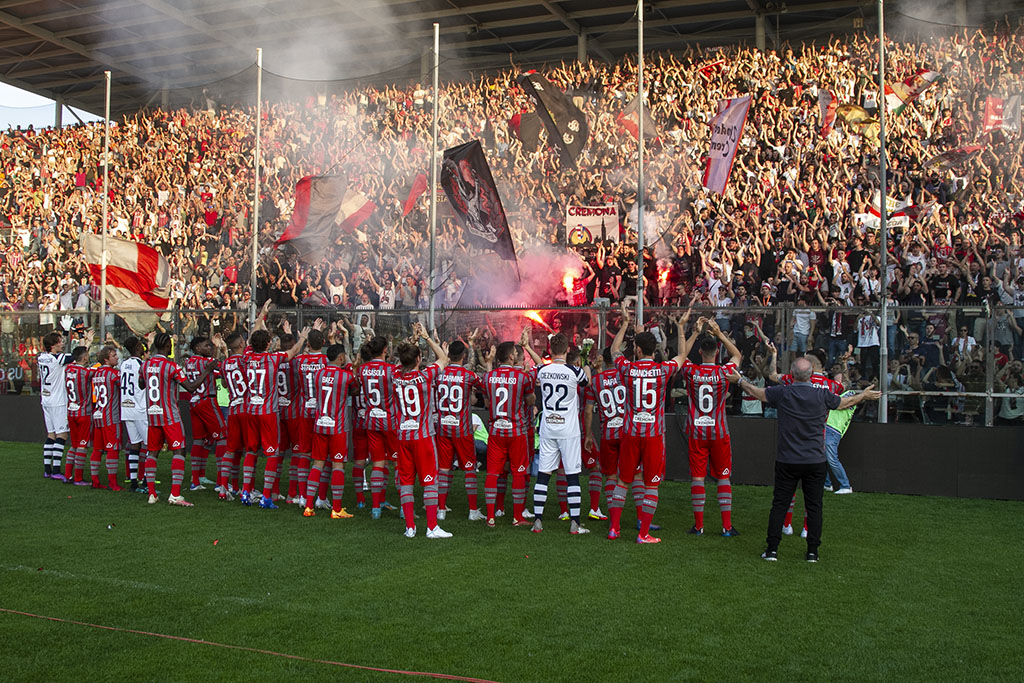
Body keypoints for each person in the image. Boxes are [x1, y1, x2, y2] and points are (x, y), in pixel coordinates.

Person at [729, 357, 880, 562]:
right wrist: (864, 395)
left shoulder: (784, 392)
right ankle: (812, 552)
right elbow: (846, 402)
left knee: (780, 504)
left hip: (788, 460)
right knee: (814, 506)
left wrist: (739, 381)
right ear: (811, 374)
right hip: (814, 461)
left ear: (791, 374)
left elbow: (758, 393)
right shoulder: (821, 394)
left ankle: (772, 550)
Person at [607, 305, 688, 543]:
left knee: (623, 480)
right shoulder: (663, 370)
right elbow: (681, 357)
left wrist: (624, 324)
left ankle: (614, 528)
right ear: (654, 350)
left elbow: (614, 352)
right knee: (651, 483)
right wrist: (681, 330)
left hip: (631, 432)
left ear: (638, 349)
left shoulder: (629, 369)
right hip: (653, 435)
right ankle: (643, 533)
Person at [679, 317, 742, 537]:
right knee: (723, 477)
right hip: (719, 431)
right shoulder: (724, 372)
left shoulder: (692, 371)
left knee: (697, 477)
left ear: (700, 353)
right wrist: (720, 334)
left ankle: (699, 526)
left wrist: (695, 333)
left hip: (697, 431)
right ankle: (726, 527)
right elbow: (737, 355)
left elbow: (681, 356)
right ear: (716, 353)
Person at [139, 332, 219, 507]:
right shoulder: (171, 366)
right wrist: (207, 371)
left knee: (152, 452)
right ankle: (175, 494)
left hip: (152, 415)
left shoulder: (144, 365)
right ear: (168, 346)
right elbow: (190, 387)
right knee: (179, 451)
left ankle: (151, 493)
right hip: (170, 415)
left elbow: (141, 384)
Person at [392, 323, 452, 539]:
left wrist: (412, 342)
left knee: (406, 482)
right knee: (429, 481)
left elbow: (402, 361)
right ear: (419, 360)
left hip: (403, 437)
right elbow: (444, 358)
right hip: (423, 437)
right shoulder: (426, 376)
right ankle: (432, 527)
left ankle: (410, 527)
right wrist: (426, 338)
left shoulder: (395, 376)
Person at [528, 332, 591, 535]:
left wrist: (528, 348)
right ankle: (575, 523)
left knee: (544, 474)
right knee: (572, 475)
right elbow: (586, 382)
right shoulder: (574, 371)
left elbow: (536, 370)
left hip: (548, 428)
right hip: (569, 430)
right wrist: (587, 362)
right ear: (567, 350)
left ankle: (537, 521)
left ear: (550, 350)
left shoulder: (541, 370)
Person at [241, 326, 309, 508]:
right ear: (269, 344)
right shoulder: (273, 359)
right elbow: (293, 351)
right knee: (272, 453)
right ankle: (266, 496)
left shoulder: (246, 357)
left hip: (250, 410)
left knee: (251, 451)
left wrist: (261, 316)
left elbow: (251, 339)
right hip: (268, 412)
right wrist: (302, 338)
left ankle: (246, 491)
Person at [482, 339, 536, 527]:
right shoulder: (523, 377)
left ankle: (490, 517)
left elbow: (488, 403)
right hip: (517, 431)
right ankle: (517, 517)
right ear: (512, 356)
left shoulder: (488, 377)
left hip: (496, 431)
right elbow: (530, 401)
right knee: (519, 472)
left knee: (493, 473)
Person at [304, 343, 359, 520]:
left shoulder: (318, 374)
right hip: (338, 427)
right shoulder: (345, 376)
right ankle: (336, 509)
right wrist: (351, 365)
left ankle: (308, 506)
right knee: (338, 465)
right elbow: (355, 389)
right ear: (341, 357)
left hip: (320, 424)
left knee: (317, 464)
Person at [435, 339, 486, 521]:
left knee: (443, 468)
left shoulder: (438, 374)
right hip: (462, 429)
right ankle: (473, 511)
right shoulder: (468, 375)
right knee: (470, 468)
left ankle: (440, 509)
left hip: (443, 427)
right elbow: (484, 387)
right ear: (463, 356)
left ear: (448, 354)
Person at [359, 335, 400, 519]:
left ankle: (376, 507)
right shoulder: (391, 370)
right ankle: (403, 508)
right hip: (390, 422)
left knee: (377, 464)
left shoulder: (363, 369)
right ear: (385, 350)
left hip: (371, 420)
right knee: (399, 464)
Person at [290, 328, 328, 506]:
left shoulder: (299, 361)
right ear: (323, 343)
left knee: (304, 453)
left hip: (304, 411)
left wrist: (304, 339)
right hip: (322, 412)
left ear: (307, 344)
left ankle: (303, 495)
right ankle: (320, 497)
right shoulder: (326, 361)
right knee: (322, 456)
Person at [183, 336, 225, 491]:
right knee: (222, 437)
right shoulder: (205, 362)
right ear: (197, 348)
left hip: (194, 402)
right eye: (206, 346)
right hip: (207, 400)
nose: (209, 348)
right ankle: (221, 482)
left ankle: (196, 480)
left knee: (198, 441)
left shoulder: (189, 362)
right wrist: (221, 350)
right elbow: (222, 367)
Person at [38, 329, 80, 481]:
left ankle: (47, 469)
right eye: (60, 342)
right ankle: (56, 469)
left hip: (46, 399)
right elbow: (77, 356)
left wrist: (66, 333)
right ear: (54, 345)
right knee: (61, 435)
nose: (62, 344)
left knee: (51, 434)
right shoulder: (58, 359)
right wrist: (82, 341)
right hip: (58, 401)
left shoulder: (41, 357)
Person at [218, 332, 248, 501]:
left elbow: (223, 383)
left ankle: (225, 488)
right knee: (249, 450)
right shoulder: (245, 360)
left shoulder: (225, 363)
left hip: (233, 408)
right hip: (247, 408)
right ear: (242, 344)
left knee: (232, 450)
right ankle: (246, 490)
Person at [89, 346, 122, 491]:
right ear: (106, 359)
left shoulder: (96, 373)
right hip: (110, 416)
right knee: (112, 449)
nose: (117, 358)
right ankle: (112, 483)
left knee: (97, 449)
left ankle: (95, 480)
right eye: (114, 356)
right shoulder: (114, 374)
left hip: (98, 414)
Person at [119, 337, 149, 492]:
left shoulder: (123, 364)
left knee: (134, 445)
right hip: (140, 409)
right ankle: (145, 480)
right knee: (150, 445)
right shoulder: (141, 365)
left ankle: (133, 481)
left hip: (126, 408)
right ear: (138, 347)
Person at [823, 371, 858, 494]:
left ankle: (845, 485)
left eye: (838, 380)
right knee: (822, 457)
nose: (835, 382)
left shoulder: (850, 394)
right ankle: (827, 483)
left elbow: (838, 404)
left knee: (832, 458)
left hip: (834, 429)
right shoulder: (837, 394)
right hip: (827, 427)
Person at [64, 345, 94, 485]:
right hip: (83, 412)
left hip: (71, 411)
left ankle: (68, 475)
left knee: (74, 445)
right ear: (85, 357)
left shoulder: (68, 369)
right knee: (82, 445)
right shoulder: (86, 373)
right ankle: (78, 478)